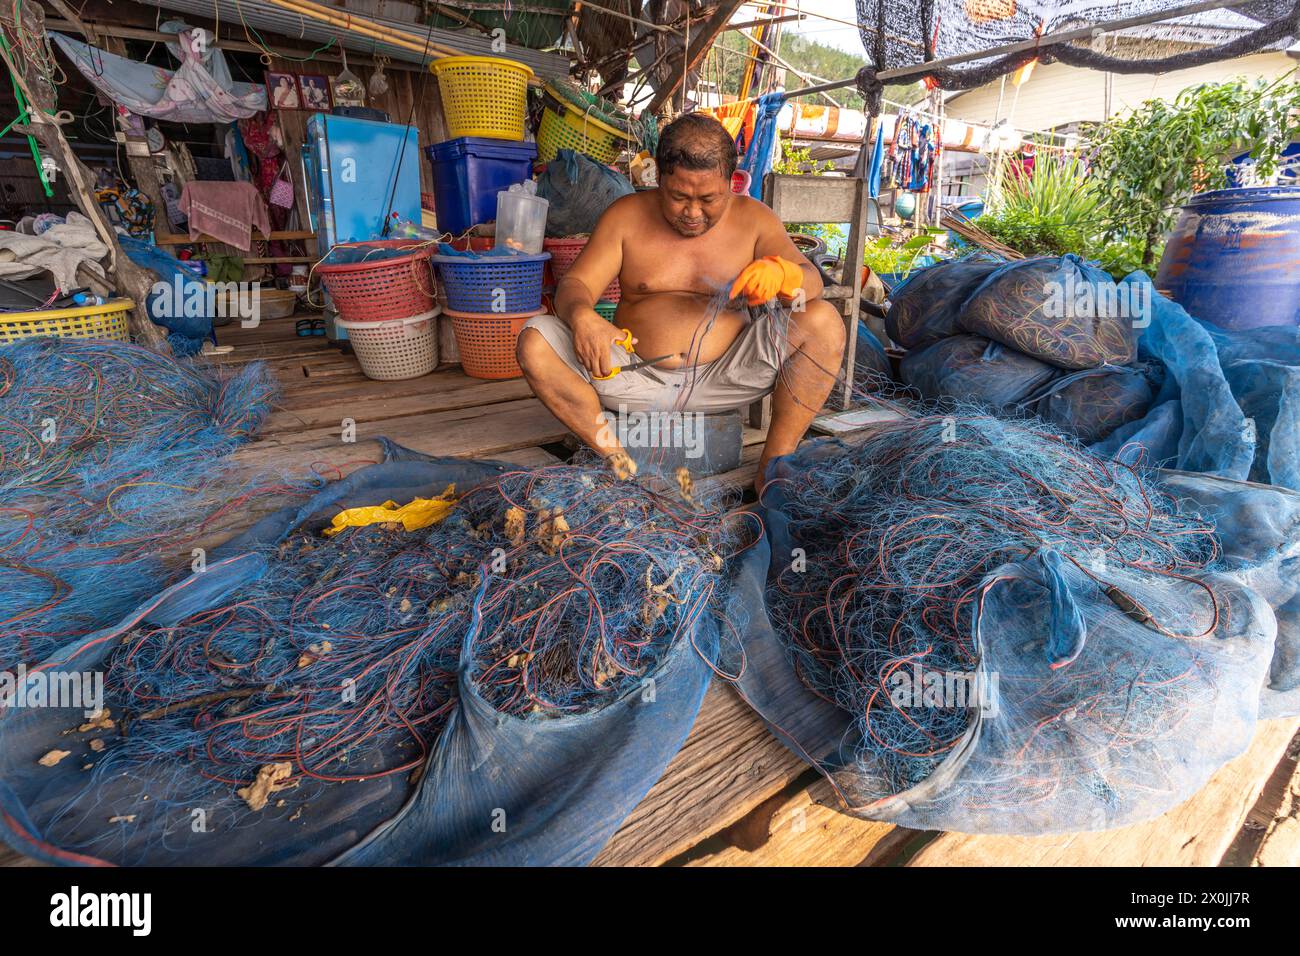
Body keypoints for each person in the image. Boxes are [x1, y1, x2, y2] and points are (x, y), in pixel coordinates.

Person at [517, 113, 846, 489]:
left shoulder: (755, 220)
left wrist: (784, 275)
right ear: (659, 177)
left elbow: (812, 284)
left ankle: (772, 466)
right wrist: (582, 317)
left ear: (731, 182)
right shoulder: (625, 216)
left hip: (730, 376)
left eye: (708, 199)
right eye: (678, 197)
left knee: (823, 321)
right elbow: (575, 283)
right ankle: (616, 460)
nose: (692, 213)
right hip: (632, 377)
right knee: (534, 339)